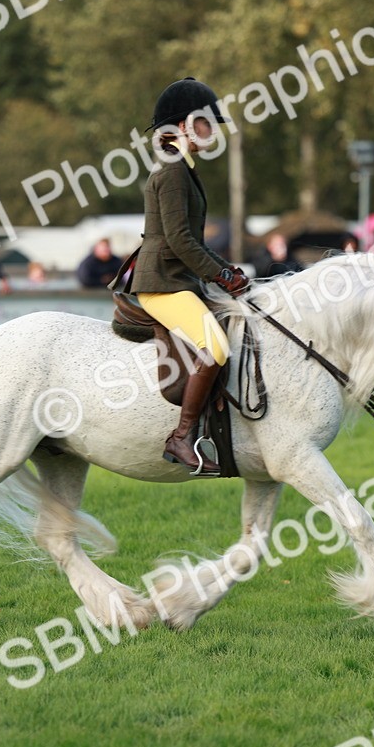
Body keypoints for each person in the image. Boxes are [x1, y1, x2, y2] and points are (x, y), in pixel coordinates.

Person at [112, 77, 249, 474]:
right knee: (218, 347)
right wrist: (222, 277)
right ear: (184, 126)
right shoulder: (172, 171)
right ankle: (182, 436)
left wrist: (227, 270)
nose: (211, 131)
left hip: (178, 279)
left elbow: (192, 240)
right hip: (162, 283)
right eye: (205, 123)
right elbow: (178, 241)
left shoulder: (183, 169)